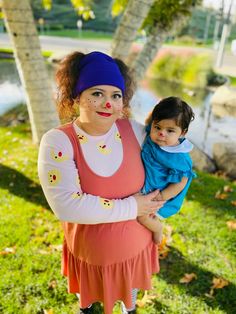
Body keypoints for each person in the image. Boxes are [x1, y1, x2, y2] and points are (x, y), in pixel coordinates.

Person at [38, 51, 165, 314]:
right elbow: (67, 206)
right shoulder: (58, 141)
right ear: (76, 98)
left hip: (134, 250)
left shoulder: (137, 132)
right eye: (97, 93)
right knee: (88, 302)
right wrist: (133, 207)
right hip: (89, 255)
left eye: (115, 96)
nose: (108, 103)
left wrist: (161, 207)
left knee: (129, 302)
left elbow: (171, 165)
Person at [138, 97, 196, 243]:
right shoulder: (154, 135)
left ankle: (157, 228)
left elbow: (181, 183)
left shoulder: (180, 157)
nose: (162, 133)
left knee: (142, 215)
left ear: (182, 133)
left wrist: (162, 196)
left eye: (170, 130)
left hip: (159, 193)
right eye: (157, 127)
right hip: (148, 183)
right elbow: (148, 122)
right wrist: (157, 107)